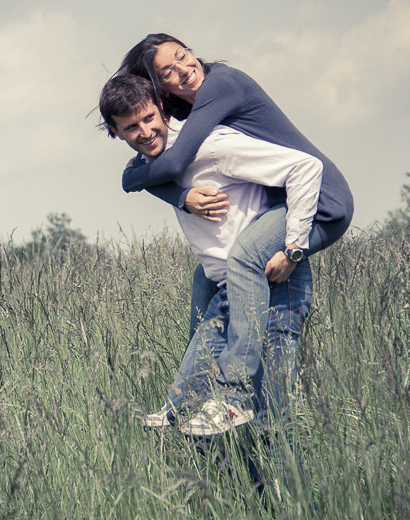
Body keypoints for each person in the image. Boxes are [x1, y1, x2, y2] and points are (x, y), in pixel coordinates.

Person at [115, 33, 353, 413]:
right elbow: (163, 169)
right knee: (205, 277)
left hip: (322, 202)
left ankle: (232, 389)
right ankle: (190, 398)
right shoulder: (185, 110)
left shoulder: (220, 85)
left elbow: (173, 165)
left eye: (182, 55)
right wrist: (169, 192)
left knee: (242, 259)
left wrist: (294, 250)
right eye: (169, 71)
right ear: (160, 86)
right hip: (285, 203)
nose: (183, 69)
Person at [98, 74, 314, 435]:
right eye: (131, 127)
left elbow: (305, 167)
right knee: (207, 405)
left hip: (274, 281)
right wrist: (182, 197)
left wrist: (293, 247)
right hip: (229, 287)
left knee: (274, 418)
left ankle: (290, 489)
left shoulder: (211, 147)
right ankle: (177, 412)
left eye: (149, 118)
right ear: (115, 131)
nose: (146, 131)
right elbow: (132, 177)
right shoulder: (153, 164)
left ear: (163, 110)